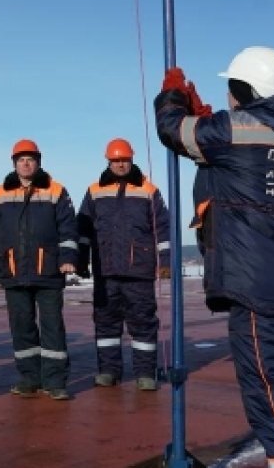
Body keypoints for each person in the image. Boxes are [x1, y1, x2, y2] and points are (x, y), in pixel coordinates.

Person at [155, 47, 274, 468]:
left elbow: (174, 130)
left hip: (256, 286)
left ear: (245, 89)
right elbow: (220, 145)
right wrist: (206, 114)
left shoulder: (238, 132)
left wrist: (172, 98)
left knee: (272, 398)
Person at [0, 139, 78, 401]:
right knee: (21, 327)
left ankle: (55, 381)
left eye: (30, 159)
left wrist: (68, 257)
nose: (26, 163)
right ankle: (29, 378)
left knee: (52, 327)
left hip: (49, 271)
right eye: (21, 159)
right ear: (14, 164)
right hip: (13, 271)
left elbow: (68, 229)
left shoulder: (56, 191)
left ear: (38, 162)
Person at [76, 138, 170, 390]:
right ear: (108, 161)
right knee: (106, 323)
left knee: (143, 322)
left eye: (124, 160)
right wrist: (80, 260)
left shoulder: (148, 190)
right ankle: (108, 371)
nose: (120, 164)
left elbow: (162, 228)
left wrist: (166, 261)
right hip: (105, 270)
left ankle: (145, 374)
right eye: (116, 160)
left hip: (139, 270)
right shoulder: (95, 191)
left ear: (132, 160)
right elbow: (83, 230)